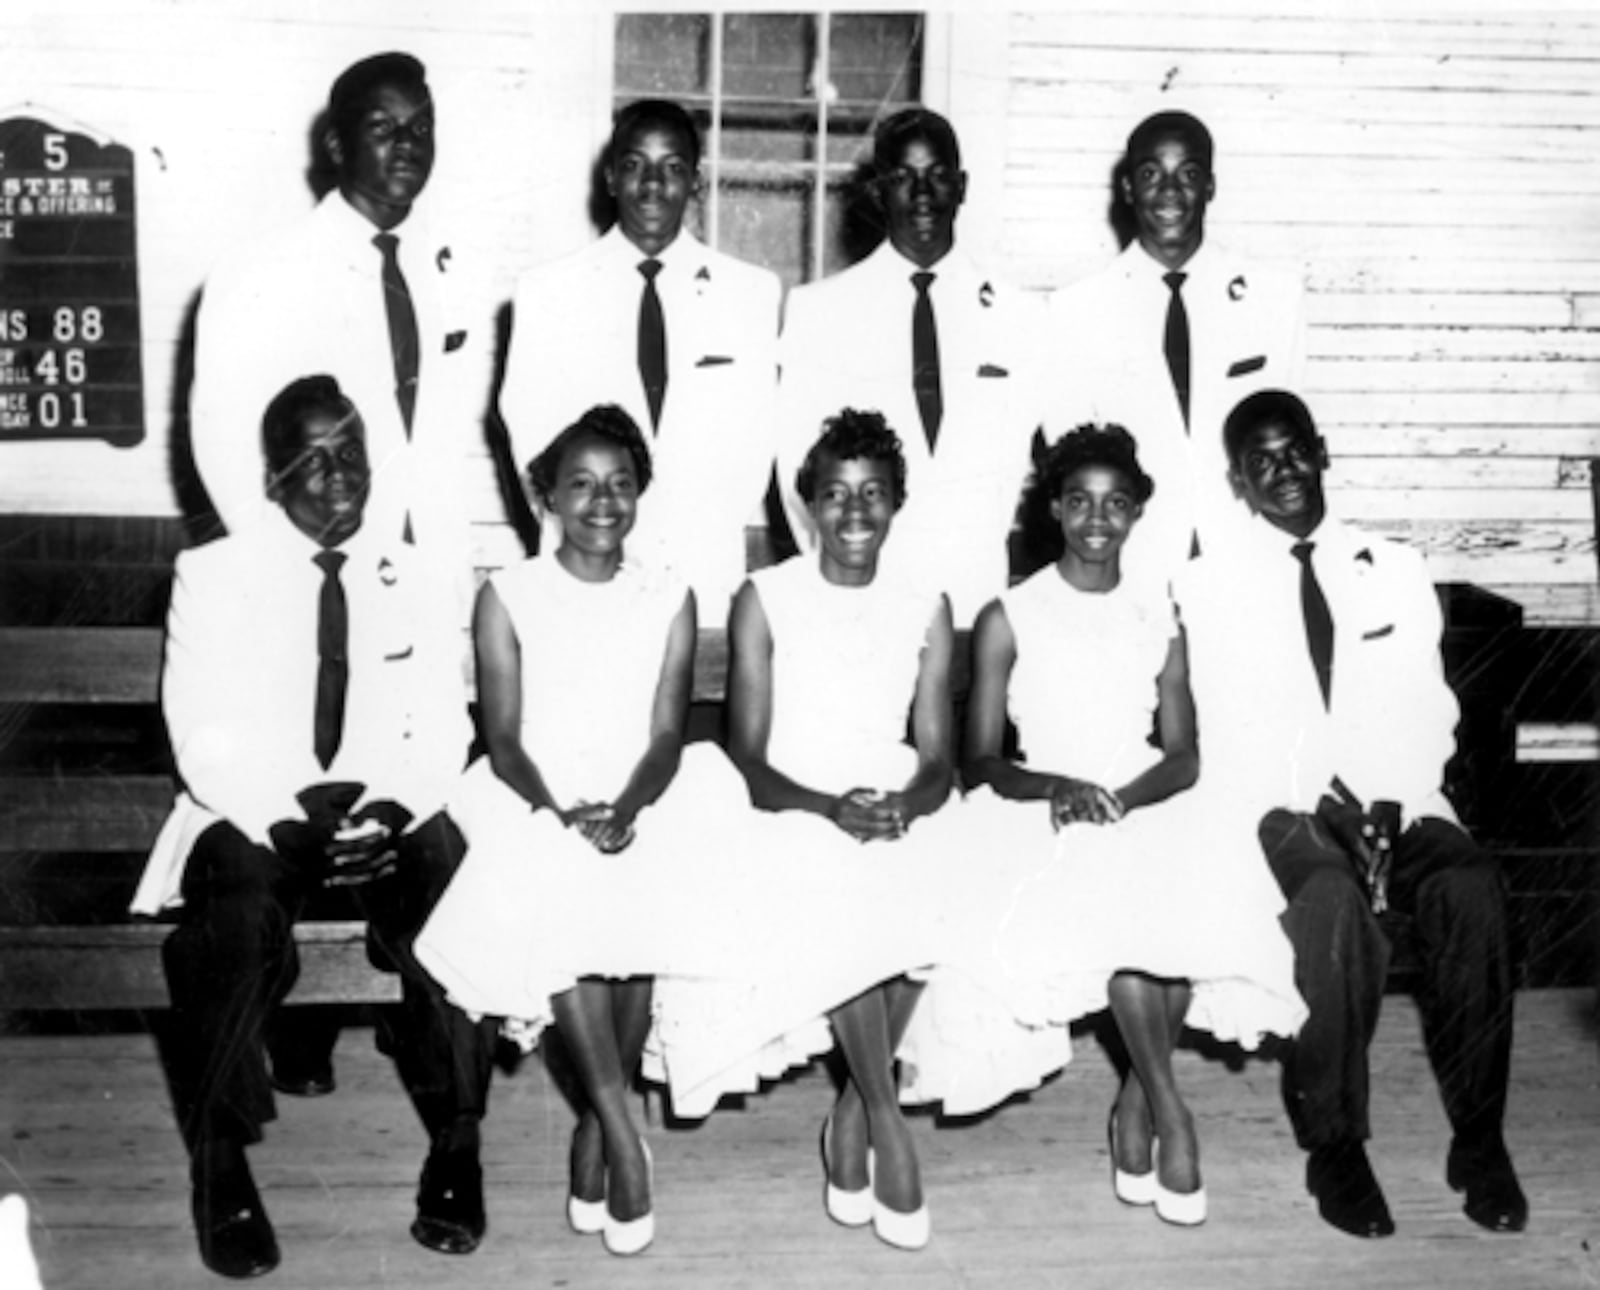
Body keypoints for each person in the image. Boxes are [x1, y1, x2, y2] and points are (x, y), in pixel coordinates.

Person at [131, 376, 496, 1278]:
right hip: (258, 807)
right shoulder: (212, 574)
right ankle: (220, 1166)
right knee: (231, 923)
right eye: (315, 458)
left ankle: (456, 1144)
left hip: (387, 805)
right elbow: (200, 732)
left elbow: (444, 726)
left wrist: (397, 808)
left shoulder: (411, 569)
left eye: (353, 455)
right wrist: (284, 817)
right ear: (272, 475)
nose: (339, 478)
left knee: (458, 899)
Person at [900, 423, 1303, 1227]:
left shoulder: (1161, 613)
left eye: (1116, 504)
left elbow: (1185, 754)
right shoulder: (1011, 613)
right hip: (1043, 804)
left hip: (1144, 795)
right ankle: (1168, 1110)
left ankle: (1131, 1104)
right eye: (1079, 502)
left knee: (1181, 910)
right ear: (1053, 508)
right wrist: (1060, 788)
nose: (1096, 519)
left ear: (1137, 514)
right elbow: (981, 759)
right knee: (1123, 919)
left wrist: (1125, 796)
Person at [1179, 388, 1526, 1238]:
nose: (1282, 471)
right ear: (1238, 481)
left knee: (1470, 891)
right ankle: (1336, 1148)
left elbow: (1426, 707)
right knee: (1330, 904)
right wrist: (1331, 807)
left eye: (1293, 449)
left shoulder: (1394, 568)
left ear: (1322, 450)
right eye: (1259, 461)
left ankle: (1479, 1142)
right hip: (1281, 804)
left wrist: (1387, 798)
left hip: (1397, 794)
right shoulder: (1207, 584)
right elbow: (1230, 723)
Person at [416, 404, 698, 1257]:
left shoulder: (668, 595)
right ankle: (621, 1137)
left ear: (640, 493)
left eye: (619, 484)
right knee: (563, 875)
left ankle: (591, 1136)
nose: (601, 502)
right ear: (547, 495)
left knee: (652, 881)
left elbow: (665, 735)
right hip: (529, 792)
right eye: (580, 484)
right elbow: (502, 737)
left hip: (638, 789)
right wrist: (559, 813)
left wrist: (627, 807)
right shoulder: (509, 594)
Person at [714, 409, 957, 1250]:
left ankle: (852, 1111)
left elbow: (935, 759)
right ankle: (886, 1127)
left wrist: (910, 806)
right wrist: (829, 808)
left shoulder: (928, 606)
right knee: (848, 894)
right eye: (836, 495)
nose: (856, 513)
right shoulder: (767, 598)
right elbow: (746, 756)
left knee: (937, 882)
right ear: (808, 505)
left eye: (874, 495)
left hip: (890, 793)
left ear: (898, 504)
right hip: (792, 798)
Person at [189, 52, 486, 595]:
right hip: (313, 568)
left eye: (421, 127)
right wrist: (286, 562)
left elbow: (437, 441)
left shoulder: (453, 269)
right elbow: (221, 437)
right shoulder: (261, 269)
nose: (407, 143)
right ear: (336, 145)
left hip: (432, 577)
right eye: (382, 126)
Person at [499, 98, 781, 617]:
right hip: (584, 560)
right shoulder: (548, 292)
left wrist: (684, 533)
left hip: (699, 568)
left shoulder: (750, 294)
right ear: (609, 177)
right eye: (634, 165)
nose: (653, 184)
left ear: (695, 181)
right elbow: (532, 440)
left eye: (673, 168)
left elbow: (753, 449)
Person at [776, 108, 1048, 627]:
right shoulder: (822, 311)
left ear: (962, 186)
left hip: (974, 600)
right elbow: (797, 474)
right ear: (878, 192)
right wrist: (834, 577)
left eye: (938, 176)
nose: (922, 193)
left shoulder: (1020, 316)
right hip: (860, 596)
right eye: (902, 178)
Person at [1048, 110, 1307, 591]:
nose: (1169, 191)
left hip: (1248, 559)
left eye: (1188, 174)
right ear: (1127, 188)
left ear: (1210, 186)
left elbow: (1289, 445)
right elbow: (1074, 464)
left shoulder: (1274, 299)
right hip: (1133, 564)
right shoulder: (1073, 312)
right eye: (1151, 174)